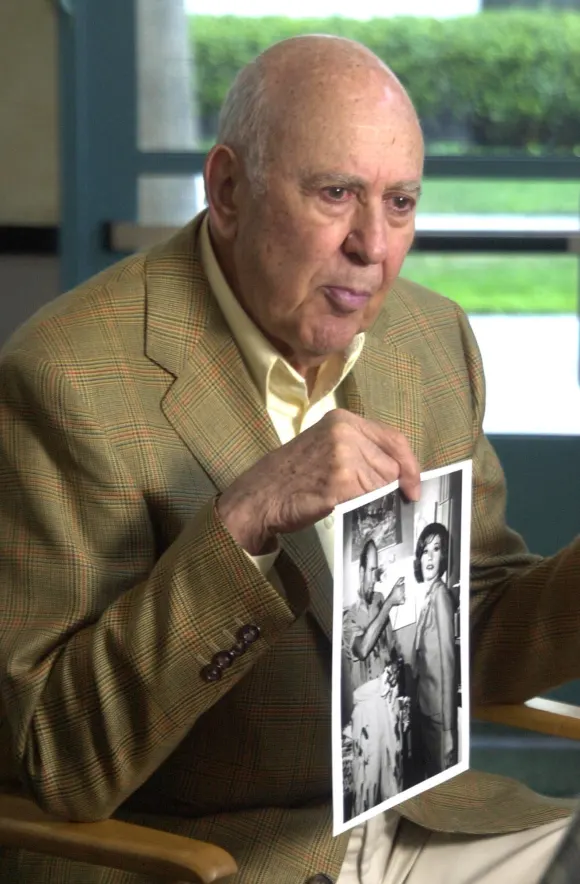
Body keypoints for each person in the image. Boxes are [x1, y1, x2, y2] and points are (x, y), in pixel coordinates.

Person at [0, 33, 576, 884]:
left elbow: (469, 636)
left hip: (419, 823)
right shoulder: (66, 378)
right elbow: (56, 756)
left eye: (401, 203)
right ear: (227, 190)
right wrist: (242, 523)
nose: (372, 247)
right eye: (336, 194)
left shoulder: (428, 337)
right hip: (215, 859)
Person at [342, 540, 406, 815]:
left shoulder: (380, 602)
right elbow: (362, 648)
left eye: (377, 570)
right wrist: (391, 601)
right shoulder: (347, 616)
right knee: (366, 787)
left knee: (395, 780)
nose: (374, 577)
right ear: (359, 572)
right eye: (370, 571)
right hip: (366, 710)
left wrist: (395, 672)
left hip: (388, 704)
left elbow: (393, 653)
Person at [411, 523, 457, 779]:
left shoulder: (440, 597)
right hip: (428, 711)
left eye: (436, 549)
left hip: (440, 720)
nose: (429, 557)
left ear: (444, 555)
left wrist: (449, 731)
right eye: (425, 550)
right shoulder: (429, 597)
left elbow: (448, 665)